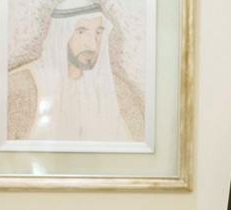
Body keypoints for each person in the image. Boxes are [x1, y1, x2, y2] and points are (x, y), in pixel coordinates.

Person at [7, 0, 143, 142]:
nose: (92, 44)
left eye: (98, 32)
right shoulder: (20, 86)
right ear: (61, 35)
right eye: (81, 32)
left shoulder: (119, 91)